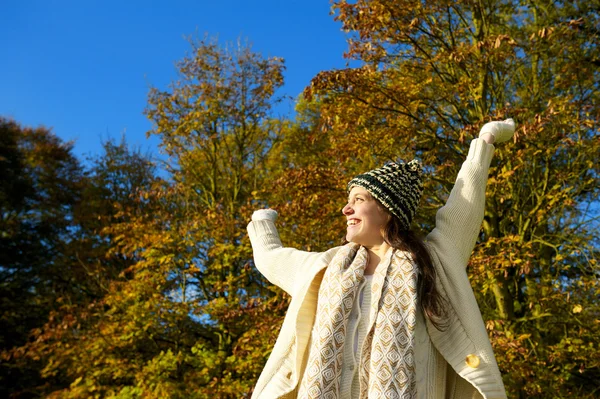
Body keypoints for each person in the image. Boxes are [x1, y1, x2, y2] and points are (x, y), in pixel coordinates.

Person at [247, 119, 515, 399]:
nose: (345, 208)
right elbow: (271, 259)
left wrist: (486, 140)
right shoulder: (325, 267)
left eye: (358, 199)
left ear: (388, 211)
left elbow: (465, 204)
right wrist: (262, 221)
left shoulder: (432, 261)